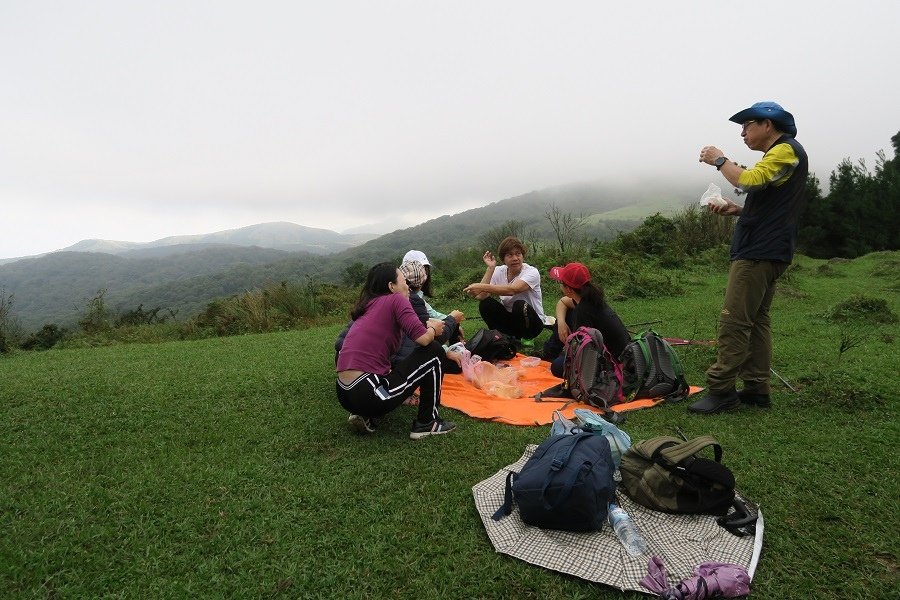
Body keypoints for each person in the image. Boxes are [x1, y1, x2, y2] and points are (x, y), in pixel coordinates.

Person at [690, 101, 808, 414]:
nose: (743, 133)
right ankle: (756, 389)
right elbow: (771, 201)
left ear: (767, 125)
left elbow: (749, 180)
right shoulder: (780, 156)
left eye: (747, 125)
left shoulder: (785, 149)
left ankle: (722, 389)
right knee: (757, 321)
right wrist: (739, 210)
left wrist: (719, 160)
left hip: (758, 252)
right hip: (770, 248)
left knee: (734, 320)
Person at [335, 262, 458, 439]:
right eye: (403, 281)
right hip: (368, 391)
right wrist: (434, 329)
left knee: (400, 368)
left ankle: (364, 413)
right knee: (434, 351)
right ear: (391, 286)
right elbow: (424, 340)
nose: (408, 286)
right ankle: (428, 422)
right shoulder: (396, 299)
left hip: (344, 393)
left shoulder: (369, 305)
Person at [541, 262, 631, 378]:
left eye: (561, 283)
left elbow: (585, 352)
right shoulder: (589, 298)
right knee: (566, 314)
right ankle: (551, 352)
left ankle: (552, 354)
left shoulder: (583, 311)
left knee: (557, 367)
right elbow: (563, 302)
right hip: (622, 353)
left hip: (613, 362)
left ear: (569, 290)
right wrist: (561, 324)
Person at [463, 236, 546, 340]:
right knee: (486, 304)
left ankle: (527, 338)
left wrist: (480, 286)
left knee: (520, 305)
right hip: (511, 320)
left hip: (532, 322)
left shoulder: (531, 272)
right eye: (510, 255)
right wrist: (490, 268)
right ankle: (503, 337)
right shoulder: (499, 271)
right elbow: (481, 296)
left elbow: (513, 290)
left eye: (518, 254)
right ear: (503, 259)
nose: (515, 258)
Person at [402, 250, 465, 343]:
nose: (421, 273)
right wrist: (452, 320)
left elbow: (431, 314)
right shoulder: (411, 299)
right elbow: (427, 335)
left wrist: (452, 321)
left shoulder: (416, 295)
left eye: (424, 269)